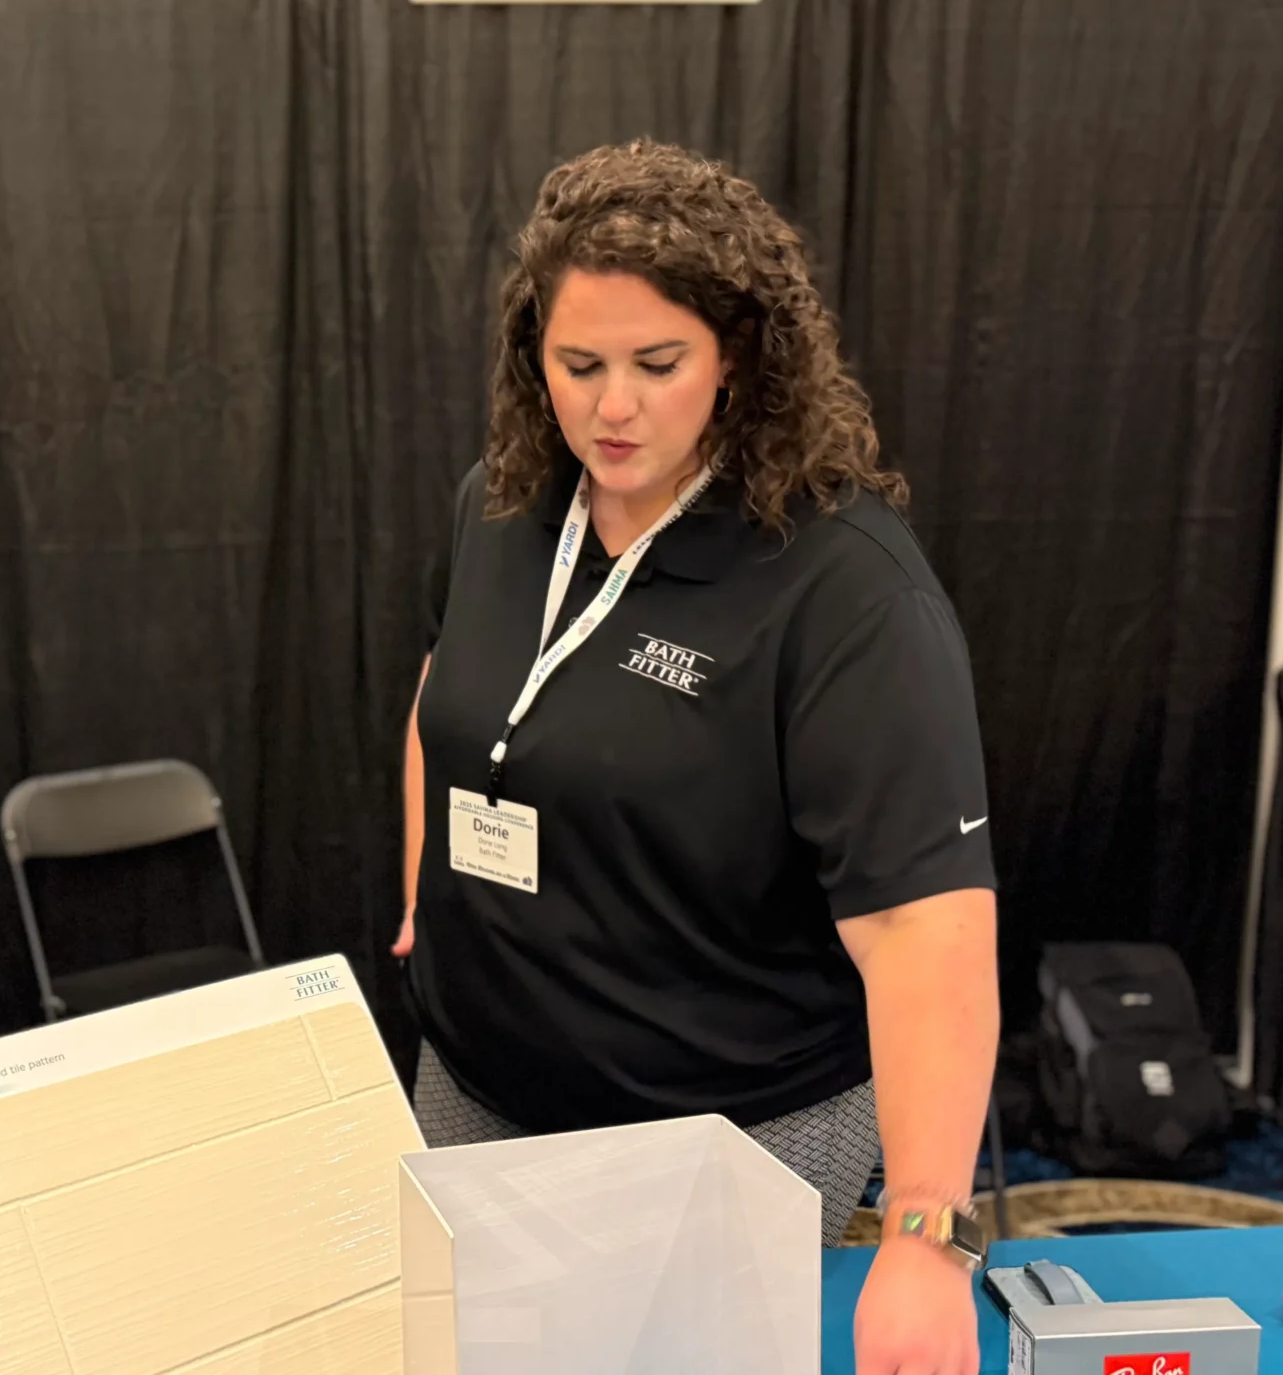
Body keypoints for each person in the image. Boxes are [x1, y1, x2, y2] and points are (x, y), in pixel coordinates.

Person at [398, 141, 999, 1375]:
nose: (611, 408)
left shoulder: (843, 589)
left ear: (738, 356)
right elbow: (442, 696)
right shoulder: (500, 503)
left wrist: (927, 1239)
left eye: (656, 365)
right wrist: (427, 888)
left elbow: (925, 932)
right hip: (476, 1091)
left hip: (727, 1134)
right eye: (579, 366)